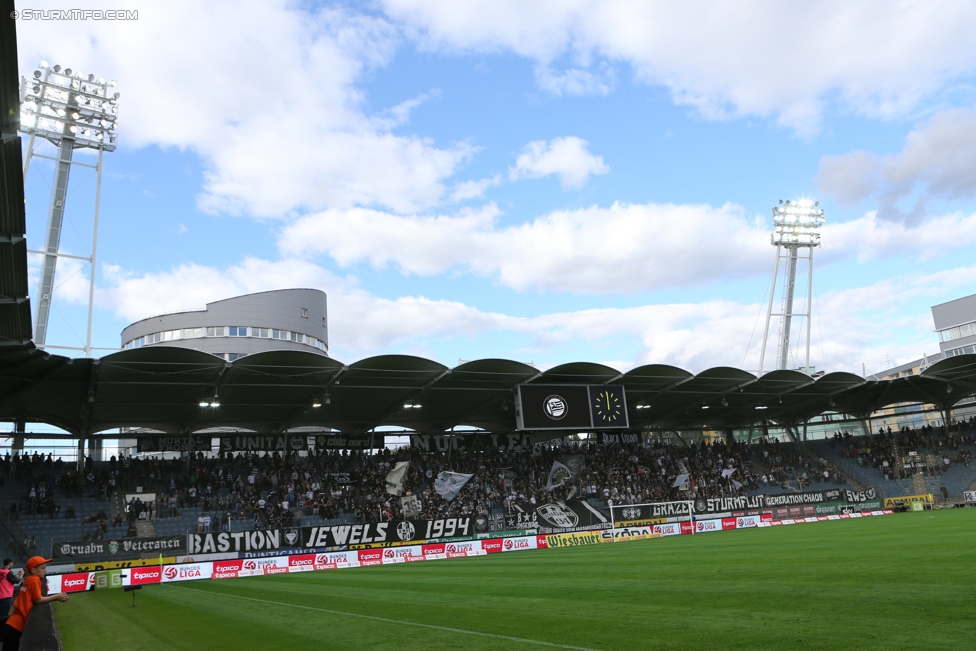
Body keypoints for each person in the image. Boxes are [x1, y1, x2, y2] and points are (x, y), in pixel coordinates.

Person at [0, 556, 68, 651]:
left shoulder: (29, 579)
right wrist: (57, 597)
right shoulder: (34, 580)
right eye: (43, 568)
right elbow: (38, 599)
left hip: (12, 623)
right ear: (33, 570)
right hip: (16, 626)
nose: (45, 570)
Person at [0, 559, 21, 624]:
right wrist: (21, 575)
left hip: (1, 595)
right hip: (5, 596)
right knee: (3, 615)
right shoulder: (8, 572)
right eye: (12, 563)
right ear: (9, 563)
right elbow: (17, 581)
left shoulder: (1, 571)